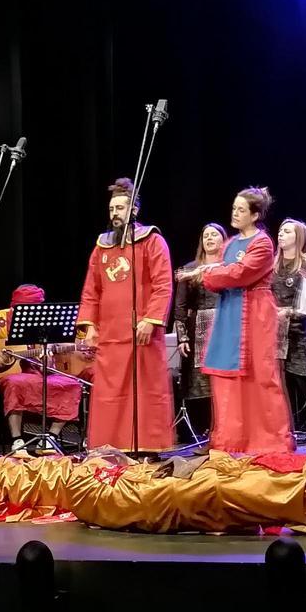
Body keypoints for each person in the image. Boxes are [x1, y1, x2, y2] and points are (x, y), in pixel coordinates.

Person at [190, 188, 295, 454]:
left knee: (260, 376)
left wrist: (211, 273)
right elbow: (221, 276)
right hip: (229, 312)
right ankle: (230, 440)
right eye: (234, 208)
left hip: (255, 313)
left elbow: (240, 273)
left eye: (241, 210)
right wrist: (214, 274)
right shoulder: (230, 244)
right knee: (227, 377)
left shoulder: (262, 242)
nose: (234, 214)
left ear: (255, 214)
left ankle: (268, 440)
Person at [77, 179, 174, 453]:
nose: (115, 213)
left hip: (140, 332)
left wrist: (150, 319)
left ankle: (145, 445)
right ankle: (110, 445)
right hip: (110, 334)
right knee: (109, 395)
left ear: (134, 210)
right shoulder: (102, 247)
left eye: (120, 208)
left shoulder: (152, 241)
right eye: (111, 209)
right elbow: (91, 290)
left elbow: (163, 283)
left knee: (144, 391)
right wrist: (90, 326)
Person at [0, 283, 85, 455]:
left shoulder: (46, 321)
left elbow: (50, 352)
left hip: (37, 372)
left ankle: (49, 438)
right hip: (10, 374)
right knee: (16, 383)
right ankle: (17, 441)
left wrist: (50, 356)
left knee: (71, 384)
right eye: (24, 308)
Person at [273, 218, 306, 450]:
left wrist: (289, 312)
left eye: (287, 231)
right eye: (280, 230)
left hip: (300, 331)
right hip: (275, 334)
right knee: (280, 387)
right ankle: (287, 434)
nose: (281, 234)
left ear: (299, 236)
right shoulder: (272, 266)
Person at [172, 224, 227, 434]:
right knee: (202, 383)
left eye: (215, 234)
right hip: (199, 332)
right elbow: (180, 306)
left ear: (224, 240)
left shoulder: (230, 267)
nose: (210, 238)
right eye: (206, 235)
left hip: (225, 327)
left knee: (225, 381)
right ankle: (208, 431)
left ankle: (226, 429)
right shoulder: (190, 269)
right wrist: (182, 337)